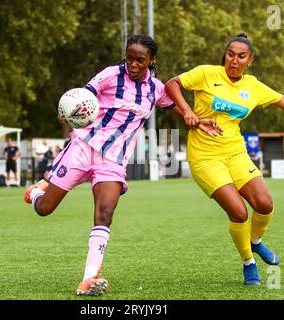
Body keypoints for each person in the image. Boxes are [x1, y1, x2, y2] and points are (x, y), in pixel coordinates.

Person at [23, 34, 222, 296]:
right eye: (130, 58)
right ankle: (36, 192)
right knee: (45, 208)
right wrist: (66, 113)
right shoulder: (109, 76)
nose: (133, 64)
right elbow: (81, 99)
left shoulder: (156, 89)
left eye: (140, 60)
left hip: (113, 161)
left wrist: (197, 119)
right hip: (82, 148)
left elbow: (181, 111)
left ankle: (89, 278)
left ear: (151, 61)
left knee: (105, 211)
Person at [165, 33, 284, 286]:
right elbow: (172, 84)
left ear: (250, 59)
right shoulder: (206, 73)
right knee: (239, 212)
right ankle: (249, 263)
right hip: (205, 157)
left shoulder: (253, 86)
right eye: (230, 54)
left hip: (235, 152)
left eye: (241, 56)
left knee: (265, 204)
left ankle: (255, 242)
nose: (234, 60)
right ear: (225, 55)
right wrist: (188, 112)